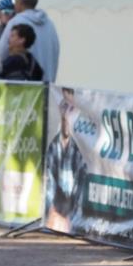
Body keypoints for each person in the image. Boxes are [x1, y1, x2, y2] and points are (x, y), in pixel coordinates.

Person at [44, 88, 87, 233]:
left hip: (72, 220)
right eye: (64, 106)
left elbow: (79, 192)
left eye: (71, 108)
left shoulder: (81, 149)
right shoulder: (54, 147)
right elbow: (49, 188)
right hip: (55, 218)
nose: (66, 112)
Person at [0, 0, 60, 83]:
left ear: (20, 3)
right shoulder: (50, 24)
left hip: (24, 88)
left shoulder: (16, 22)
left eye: (15, 2)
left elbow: (1, 52)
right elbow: (56, 52)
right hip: (47, 86)